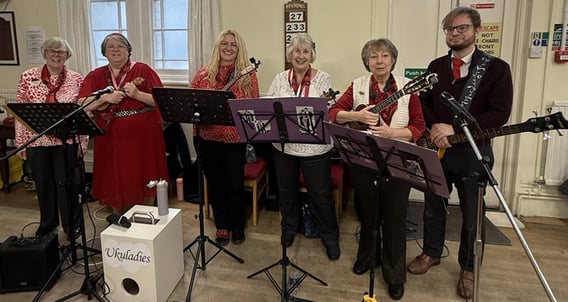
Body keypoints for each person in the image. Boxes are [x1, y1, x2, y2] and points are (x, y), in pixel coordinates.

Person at [407, 7, 513, 300]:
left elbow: (499, 114)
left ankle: (468, 268)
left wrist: (452, 128)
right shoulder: (436, 65)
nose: (455, 33)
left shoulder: (496, 68)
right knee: (433, 205)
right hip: (438, 149)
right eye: (450, 29)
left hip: (472, 151)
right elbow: (423, 103)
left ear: (476, 30)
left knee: (471, 216)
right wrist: (433, 126)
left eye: (462, 28)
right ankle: (431, 252)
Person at [329, 38, 425, 300]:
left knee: (394, 217)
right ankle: (368, 257)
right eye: (374, 57)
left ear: (393, 59)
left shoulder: (408, 87)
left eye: (384, 56)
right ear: (367, 61)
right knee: (368, 213)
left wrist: (392, 132)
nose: (379, 61)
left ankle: (394, 274)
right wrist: (357, 116)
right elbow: (334, 112)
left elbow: (419, 126)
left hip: (397, 158)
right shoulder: (357, 85)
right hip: (363, 158)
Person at [266, 33, 340, 261]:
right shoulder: (280, 78)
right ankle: (289, 227)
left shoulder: (323, 78)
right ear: (290, 54)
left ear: (312, 55)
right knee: (286, 191)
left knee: (321, 194)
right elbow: (267, 106)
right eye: (296, 51)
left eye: (305, 51)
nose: (300, 55)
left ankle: (330, 237)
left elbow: (330, 108)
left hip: (315, 149)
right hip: (284, 148)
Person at [78, 33, 169, 214]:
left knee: (145, 173)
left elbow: (162, 101)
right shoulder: (96, 75)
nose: (116, 50)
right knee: (115, 176)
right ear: (104, 52)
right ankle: (117, 217)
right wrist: (104, 98)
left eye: (120, 46)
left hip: (143, 136)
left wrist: (137, 95)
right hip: (110, 136)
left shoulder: (143, 70)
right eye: (111, 47)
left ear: (128, 50)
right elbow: (81, 102)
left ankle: (146, 216)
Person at [190, 29, 259, 245]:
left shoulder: (248, 75)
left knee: (233, 184)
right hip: (206, 137)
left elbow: (251, 105)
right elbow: (192, 101)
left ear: (239, 50)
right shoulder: (202, 74)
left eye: (233, 44)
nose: (228, 48)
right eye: (224, 44)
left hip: (233, 139)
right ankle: (222, 224)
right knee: (215, 183)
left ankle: (237, 224)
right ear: (217, 47)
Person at [15, 37, 86, 240]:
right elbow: (20, 113)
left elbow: (82, 114)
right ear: (44, 53)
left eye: (60, 52)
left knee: (67, 184)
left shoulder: (77, 79)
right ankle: (47, 224)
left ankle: (72, 226)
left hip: (66, 141)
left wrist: (82, 143)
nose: (56, 55)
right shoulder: (28, 76)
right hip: (36, 141)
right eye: (51, 51)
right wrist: (22, 143)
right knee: (43, 183)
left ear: (67, 55)